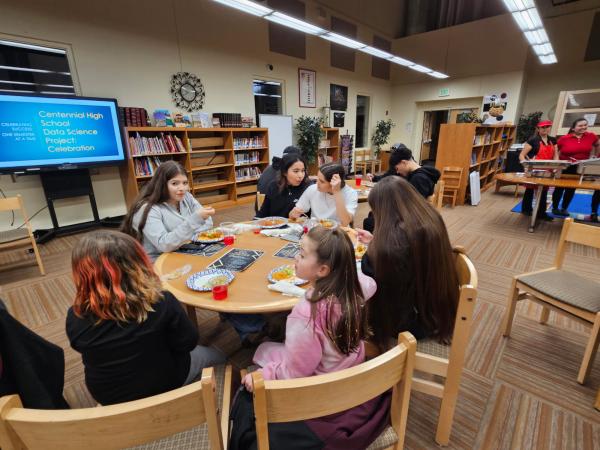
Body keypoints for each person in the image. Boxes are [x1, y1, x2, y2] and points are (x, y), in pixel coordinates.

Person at [230, 228, 386, 450]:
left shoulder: (306, 313)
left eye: (302, 254)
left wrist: (265, 374)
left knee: (260, 357)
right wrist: (346, 267)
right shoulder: (357, 287)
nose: (296, 257)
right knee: (267, 348)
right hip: (349, 367)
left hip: (322, 391)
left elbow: (295, 374)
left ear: (323, 269)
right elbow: (372, 284)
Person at [66, 230, 226, 405]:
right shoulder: (161, 301)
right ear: (137, 264)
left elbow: (83, 348)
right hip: (165, 382)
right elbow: (187, 343)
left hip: (107, 395)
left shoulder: (75, 316)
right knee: (218, 356)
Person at [357, 176, 459, 350]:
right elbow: (408, 258)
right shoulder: (428, 217)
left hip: (411, 324)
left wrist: (375, 248)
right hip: (435, 310)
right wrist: (376, 241)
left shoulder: (394, 241)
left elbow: (371, 280)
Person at [121, 161, 215, 260]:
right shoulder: (147, 209)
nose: (182, 188)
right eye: (175, 183)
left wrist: (181, 236)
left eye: (185, 183)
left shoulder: (187, 197)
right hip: (157, 260)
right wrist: (194, 221)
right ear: (162, 184)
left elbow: (208, 223)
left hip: (182, 250)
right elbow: (164, 245)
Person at [363, 144, 440, 232]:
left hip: (412, 220)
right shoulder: (417, 175)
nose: (397, 172)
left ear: (404, 162)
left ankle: (381, 244)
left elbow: (412, 207)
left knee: (369, 222)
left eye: (397, 168)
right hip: (408, 213)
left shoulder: (419, 179)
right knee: (373, 214)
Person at [552, 118, 600, 217]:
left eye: (585, 125)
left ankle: (564, 208)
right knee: (559, 188)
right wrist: (557, 162)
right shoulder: (565, 138)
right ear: (573, 128)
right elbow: (556, 148)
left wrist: (596, 156)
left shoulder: (591, 136)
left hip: (579, 167)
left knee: (571, 188)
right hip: (565, 166)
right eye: (580, 125)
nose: (583, 127)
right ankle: (555, 207)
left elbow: (598, 144)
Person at [290, 162, 358, 226]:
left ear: (333, 183)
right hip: (317, 231)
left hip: (339, 233)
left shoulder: (351, 193)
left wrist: (337, 192)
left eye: (322, 181)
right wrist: (293, 214)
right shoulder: (312, 189)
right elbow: (292, 215)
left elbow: (345, 222)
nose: (317, 183)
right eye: (317, 179)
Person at [519, 120, 557, 221]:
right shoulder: (533, 140)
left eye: (547, 127)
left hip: (548, 170)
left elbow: (556, 155)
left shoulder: (553, 140)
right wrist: (526, 166)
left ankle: (541, 213)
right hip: (534, 169)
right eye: (543, 127)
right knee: (530, 190)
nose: (545, 129)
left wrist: (556, 165)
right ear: (538, 129)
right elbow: (522, 155)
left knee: (543, 192)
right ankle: (526, 209)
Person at [256, 153, 311, 218]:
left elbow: (310, 217)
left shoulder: (307, 188)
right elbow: (262, 213)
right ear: (284, 172)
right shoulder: (273, 186)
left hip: (298, 227)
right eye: (296, 171)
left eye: (303, 171)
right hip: (275, 226)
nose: (300, 175)